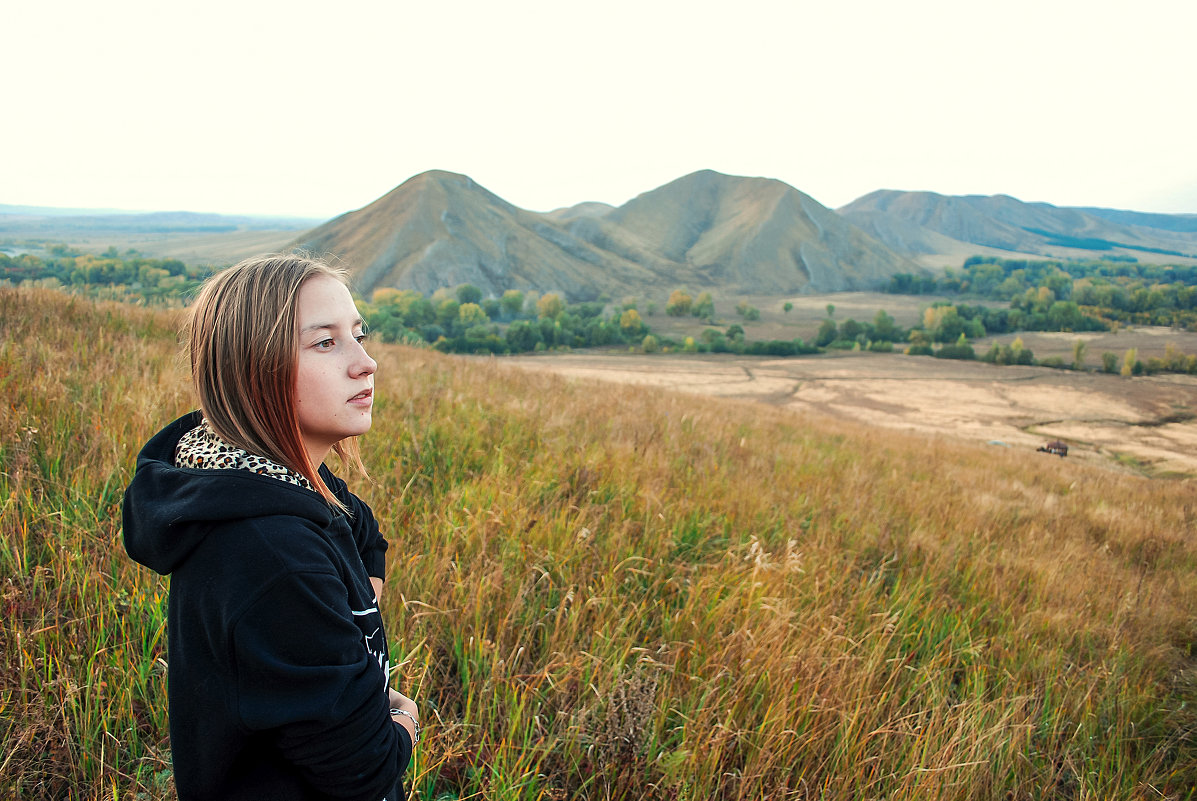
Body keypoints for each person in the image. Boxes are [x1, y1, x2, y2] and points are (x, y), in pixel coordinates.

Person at [123, 253, 419, 800]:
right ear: (255, 367)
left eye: (359, 333)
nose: (367, 362)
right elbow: (366, 770)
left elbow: (358, 527)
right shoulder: (275, 555)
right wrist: (404, 718)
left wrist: (360, 597)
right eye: (325, 343)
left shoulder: (259, 473)